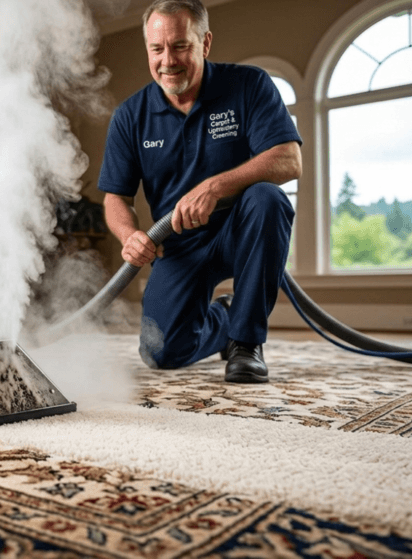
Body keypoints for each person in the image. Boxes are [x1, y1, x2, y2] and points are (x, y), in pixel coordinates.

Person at [98, 0, 301, 383]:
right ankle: (227, 316)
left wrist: (217, 185)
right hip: (178, 243)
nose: (167, 60)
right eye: (157, 49)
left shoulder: (248, 85)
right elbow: (116, 198)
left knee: (267, 199)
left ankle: (245, 342)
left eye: (180, 46)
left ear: (205, 43)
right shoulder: (131, 115)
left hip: (243, 229)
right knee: (161, 352)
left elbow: (289, 160)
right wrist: (129, 236)